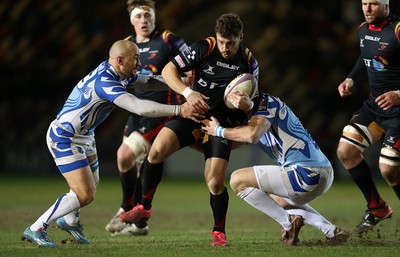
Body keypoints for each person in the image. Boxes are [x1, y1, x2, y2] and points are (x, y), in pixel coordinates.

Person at [21, 40, 201, 247]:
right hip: (65, 137)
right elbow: (139, 107)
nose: (138, 62)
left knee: (90, 185)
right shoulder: (106, 82)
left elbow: (148, 81)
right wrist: (179, 110)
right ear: (119, 60)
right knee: (84, 194)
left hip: (85, 136)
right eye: (135, 59)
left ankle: (69, 220)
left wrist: (179, 83)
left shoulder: (119, 72)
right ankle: (37, 227)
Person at [119, 13, 259, 246]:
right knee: (156, 151)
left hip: (219, 124)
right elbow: (168, 71)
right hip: (193, 115)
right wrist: (188, 93)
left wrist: (247, 105)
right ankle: (144, 208)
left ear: (241, 38)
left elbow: (252, 104)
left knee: (214, 182)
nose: (225, 47)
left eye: (231, 42)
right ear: (217, 37)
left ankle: (218, 232)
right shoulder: (204, 47)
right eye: (222, 41)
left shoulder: (249, 63)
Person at [201, 92, 350, 245]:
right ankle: (331, 231)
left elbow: (251, 135)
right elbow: (239, 137)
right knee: (276, 200)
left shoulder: (266, 102)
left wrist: (219, 130)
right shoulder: (252, 118)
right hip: (321, 172)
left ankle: (288, 223)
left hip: (306, 173)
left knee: (237, 180)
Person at [105, 0, 190, 236]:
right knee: (128, 163)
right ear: (132, 20)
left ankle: (126, 208)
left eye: (148, 15)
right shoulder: (127, 45)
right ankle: (139, 223)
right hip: (138, 110)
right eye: (139, 16)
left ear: (154, 17)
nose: (144, 20)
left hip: (162, 110)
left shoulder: (168, 40)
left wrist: (186, 80)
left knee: (126, 155)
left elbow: (190, 66)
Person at [336, 0, 400, 234]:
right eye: (364, 3)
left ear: (387, 5)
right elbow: (365, 60)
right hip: (374, 108)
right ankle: (377, 207)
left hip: (398, 112)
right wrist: (351, 79)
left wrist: (397, 95)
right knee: (346, 151)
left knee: (389, 170)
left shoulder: (397, 31)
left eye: (374, 4)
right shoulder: (363, 29)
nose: (368, 8)